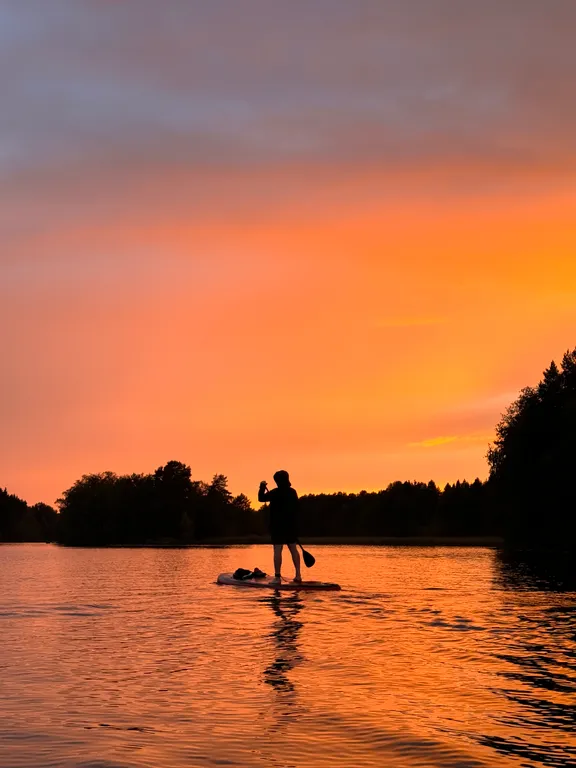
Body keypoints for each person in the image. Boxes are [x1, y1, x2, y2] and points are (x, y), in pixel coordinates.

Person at [258, 470, 301, 585]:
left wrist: (262, 487)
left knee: (277, 550)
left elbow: (261, 498)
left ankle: (277, 578)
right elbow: (296, 508)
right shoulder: (292, 492)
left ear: (278, 481)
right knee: (293, 549)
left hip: (277, 526)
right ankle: (298, 575)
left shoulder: (275, 493)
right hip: (291, 526)